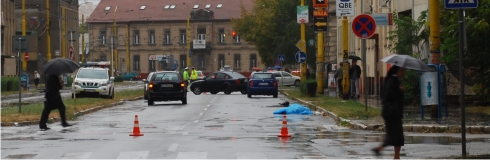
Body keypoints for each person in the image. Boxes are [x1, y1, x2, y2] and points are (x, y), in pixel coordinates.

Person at [372, 65, 406, 159]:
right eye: (402, 71)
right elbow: (388, 95)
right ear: (397, 71)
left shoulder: (395, 80)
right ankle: (388, 153)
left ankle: (395, 156)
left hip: (394, 112)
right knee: (394, 135)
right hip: (391, 113)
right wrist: (400, 90)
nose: (403, 73)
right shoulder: (392, 80)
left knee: (396, 135)